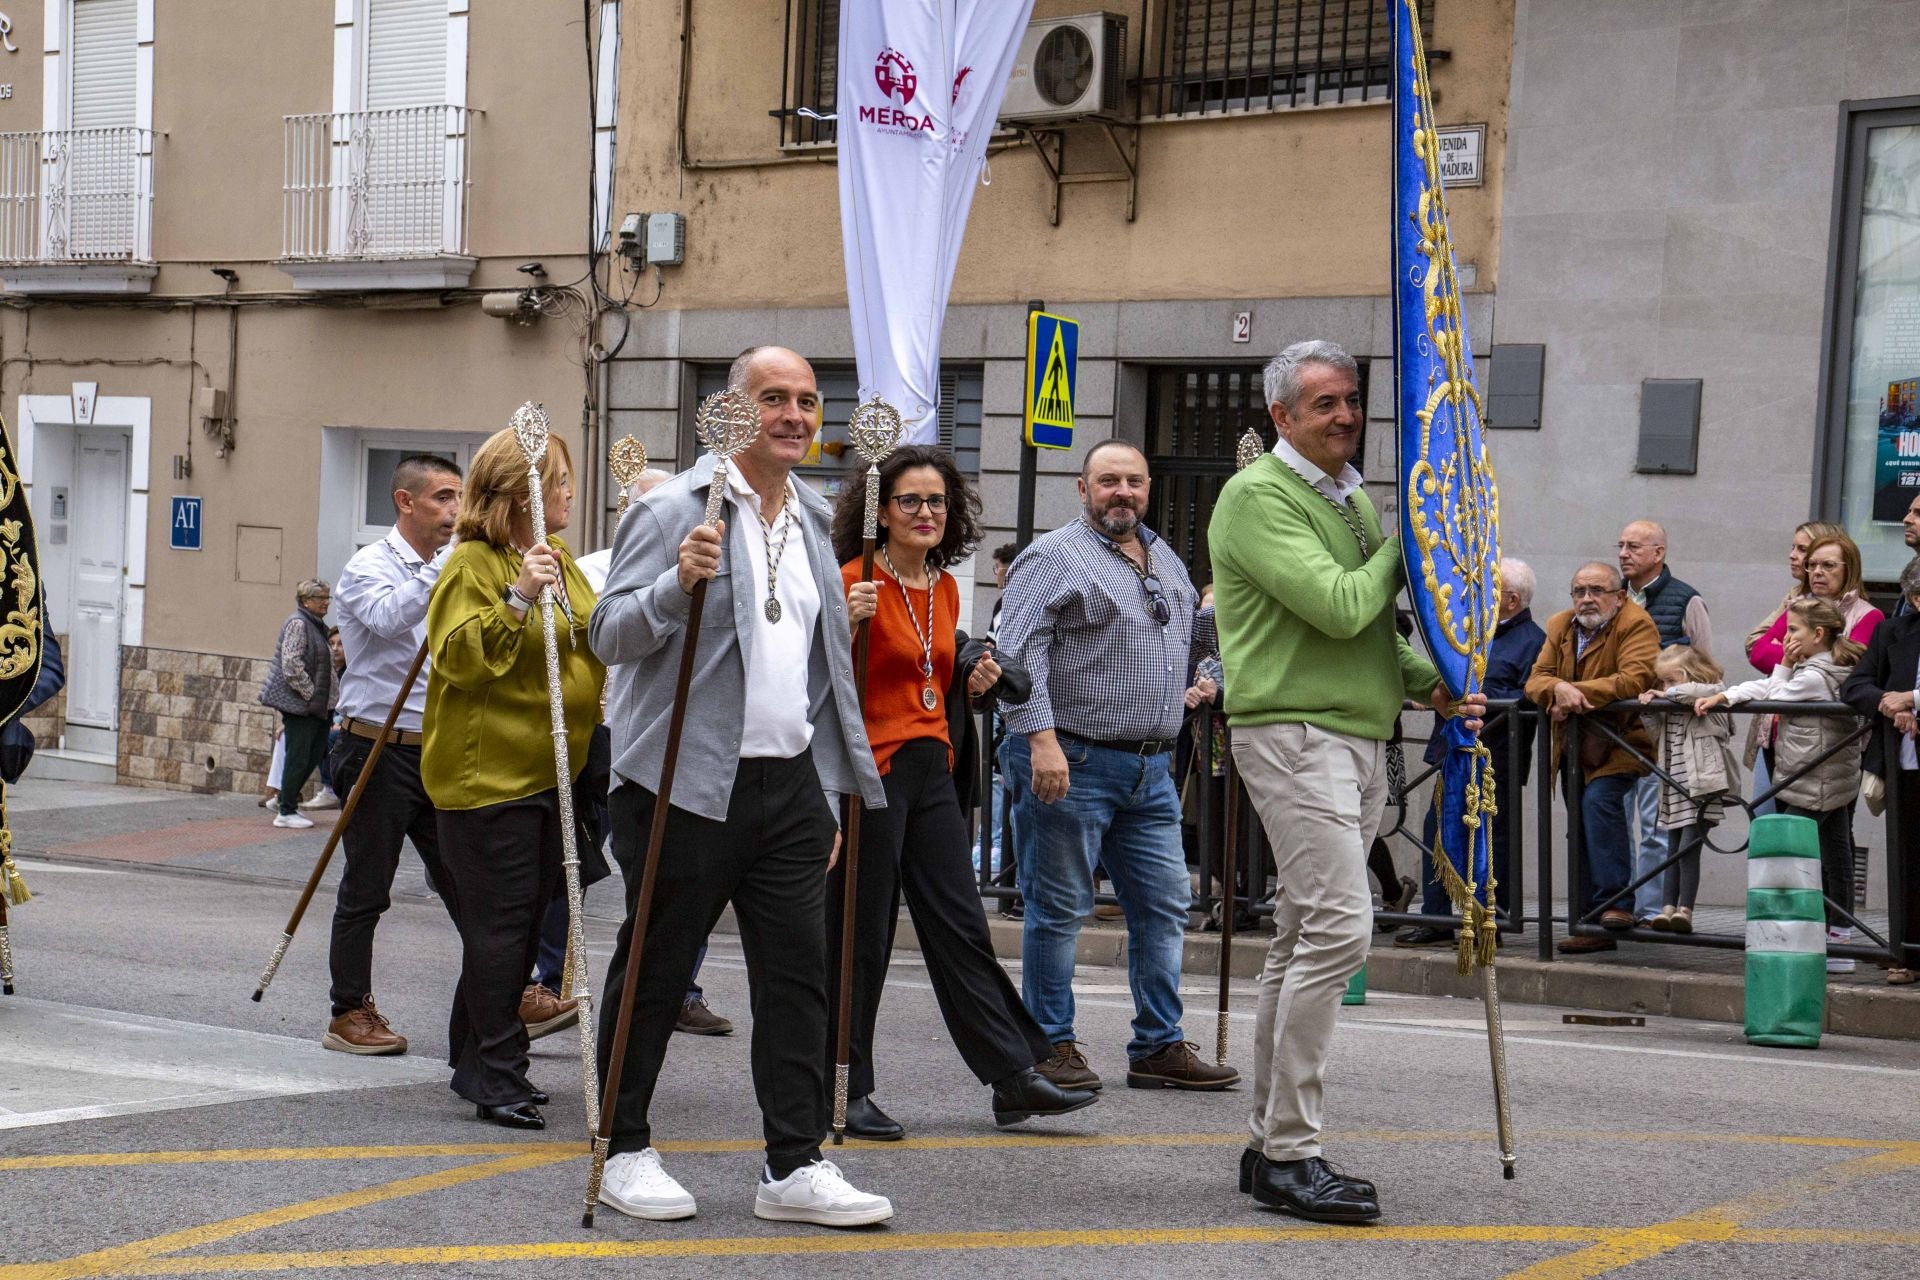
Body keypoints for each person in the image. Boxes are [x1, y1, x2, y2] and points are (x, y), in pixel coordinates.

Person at [589, 346, 893, 1227]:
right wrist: (676, 588)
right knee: (655, 966)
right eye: (774, 399)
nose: (796, 415)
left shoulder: (815, 516)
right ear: (732, 410)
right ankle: (624, 1145)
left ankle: (793, 1164)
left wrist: (832, 785)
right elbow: (608, 632)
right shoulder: (671, 507)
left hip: (789, 785)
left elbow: (822, 665)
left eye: (807, 400)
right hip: (682, 778)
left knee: (799, 977)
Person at [1208, 339, 1484, 1224]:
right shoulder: (1257, 497)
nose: (1346, 416)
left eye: (1352, 399)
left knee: (1300, 937)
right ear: (1281, 417)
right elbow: (1338, 603)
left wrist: (1431, 685)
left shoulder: (1350, 493)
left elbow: (1368, 633)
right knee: (1337, 928)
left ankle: (1270, 1145)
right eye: (1324, 404)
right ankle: (1291, 1150)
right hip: (1294, 731)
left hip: (1350, 732)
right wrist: (1407, 544)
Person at [825, 444, 1096, 1141]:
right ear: (879, 512)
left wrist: (970, 675)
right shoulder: (851, 579)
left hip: (932, 769)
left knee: (961, 926)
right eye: (909, 501)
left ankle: (1012, 1076)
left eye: (937, 501)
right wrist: (840, 621)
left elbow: (933, 671)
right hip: (869, 771)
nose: (925, 513)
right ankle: (842, 1085)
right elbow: (816, 678)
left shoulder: (944, 589)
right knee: (862, 933)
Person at [996, 438, 1238, 1095]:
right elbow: (1017, 657)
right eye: (1108, 481)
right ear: (1083, 489)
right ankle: (1051, 1046)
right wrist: (1039, 740)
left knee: (1164, 905)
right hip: (1069, 758)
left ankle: (1158, 1046)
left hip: (1151, 768)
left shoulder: (1163, 557)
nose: (1121, 492)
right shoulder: (1052, 556)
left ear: (1148, 488)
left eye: (1133, 480)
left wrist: (1229, 636)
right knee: (1059, 907)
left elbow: (1195, 637)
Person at [422, 428, 603, 1131]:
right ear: (518, 493)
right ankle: (499, 1073)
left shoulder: (559, 558)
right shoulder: (472, 562)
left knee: (520, 931)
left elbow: (592, 629)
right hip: (487, 778)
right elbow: (460, 657)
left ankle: (474, 1054)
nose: (567, 494)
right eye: (557, 481)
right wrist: (520, 595)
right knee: (502, 934)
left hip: (550, 776)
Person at [323, 455, 468, 1056]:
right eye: (442, 499)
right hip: (375, 745)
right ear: (406, 503)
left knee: (471, 883)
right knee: (368, 887)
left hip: (437, 746)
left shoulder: (451, 566)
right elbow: (387, 619)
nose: (454, 512)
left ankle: (505, 990)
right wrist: (442, 569)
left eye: (460, 499)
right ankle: (348, 1011)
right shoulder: (368, 568)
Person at [1702, 598, 1868, 973]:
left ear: (1818, 635)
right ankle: (1838, 934)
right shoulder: (1822, 669)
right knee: (1836, 851)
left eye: (1793, 631)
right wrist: (1727, 696)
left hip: (1814, 779)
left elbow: (1775, 695)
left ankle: (1797, 935)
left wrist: (1786, 663)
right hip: (1826, 777)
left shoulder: (1812, 675)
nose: (1786, 638)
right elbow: (1767, 687)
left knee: (1787, 856)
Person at [1398, 557, 1547, 948]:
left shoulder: (1533, 641)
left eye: (1488, 589)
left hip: (1494, 759)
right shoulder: (1475, 631)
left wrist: (1478, 701)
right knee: (1437, 831)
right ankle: (1436, 918)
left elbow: (1526, 698)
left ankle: (1486, 921)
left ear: (1511, 599)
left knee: (1488, 842)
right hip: (1454, 753)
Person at [1526, 561, 1660, 954]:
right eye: (1579, 591)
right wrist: (1557, 690)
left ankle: (1617, 903)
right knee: (1580, 826)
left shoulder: (1637, 623)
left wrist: (1571, 693)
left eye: (1596, 590)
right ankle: (1589, 922)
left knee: (1600, 804)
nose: (1587, 599)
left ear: (1619, 597)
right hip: (1572, 746)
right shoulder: (1560, 625)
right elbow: (1536, 679)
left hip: (1621, 740)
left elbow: (1635, 678)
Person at [1617, 521, 1714, 924]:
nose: (1623, 553)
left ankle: (1651, 909)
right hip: (1617, 728)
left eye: (1634, 546)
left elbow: (1706, 670)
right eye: (1620, 545)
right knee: (1617, 822)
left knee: (1658, 825)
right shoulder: (1612, 596)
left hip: (1666, 733)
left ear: (1659, 552)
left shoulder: (1686, 600)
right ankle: (1618, 908)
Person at [1840, 556, 1920, 983]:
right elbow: (1855, 686)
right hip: (1906, 763)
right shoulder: (1893, 631)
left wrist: (1912, 699)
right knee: (1909, 861)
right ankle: (1908, 955)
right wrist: (1889, 704)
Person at [1740, 521, 1846, 816]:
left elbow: (1846, 662)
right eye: (1808, 560)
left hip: (1819, 748)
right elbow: (1756, 648)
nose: (1793, 556)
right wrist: (1794, 655)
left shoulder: (1854, 611)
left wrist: (1789, 659)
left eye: (1803, 550)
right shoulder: (1796, 600)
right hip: (1774, 731)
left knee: (1807, 835)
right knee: (1766, 818)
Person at [1634, 645, 1738, 933]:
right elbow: (1655, 735)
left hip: (1702, 788)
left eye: (1671, 680)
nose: (1665, 687)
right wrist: (1650, 708)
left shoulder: (1711, 695)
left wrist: (1665, 694)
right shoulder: (1673, 702)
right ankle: (1666, 909)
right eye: (1662, 681)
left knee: (1687, 849)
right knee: (1672, 851)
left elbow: (1699, 690)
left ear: (1691, 675)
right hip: (1674, 789)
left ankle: (1685, 910)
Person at [258, 580, 338, 830]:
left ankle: (284, 798)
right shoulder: (299, 623)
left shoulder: (315, 624)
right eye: (321, 598)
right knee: (299, 756)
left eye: (328, 597)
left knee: (312, 754)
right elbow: (291, 664)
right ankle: (286, 810)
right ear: (305, 601)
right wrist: (310, 694)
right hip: (302, 705)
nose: (326, 602)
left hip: (316, 705)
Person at [308, 628, 346, 811]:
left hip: (345, 723)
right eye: (332, 644)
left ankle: (330, 789)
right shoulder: (326, 671)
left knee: (327, 736)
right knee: (285, 736)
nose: (336, 648)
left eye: (340, 644)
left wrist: (338, 722)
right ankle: (281, 791)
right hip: (328, 719)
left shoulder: (349, 672)